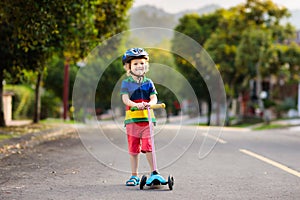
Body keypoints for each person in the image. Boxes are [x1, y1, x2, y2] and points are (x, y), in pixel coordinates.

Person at [120, 48, 159, 186]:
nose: (139, 66)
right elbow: (125, 99)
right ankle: (134, 175)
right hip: (132, 120)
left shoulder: (149, 83)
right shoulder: (126, 83)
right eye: (135, 64)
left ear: (146, 65)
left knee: (149, 146)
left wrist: (150, 103)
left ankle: (154, 172)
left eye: (142, 63)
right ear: (128, 67)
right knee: (133, 148)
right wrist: (134, 105)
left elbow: (154, 97)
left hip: (147, 120)